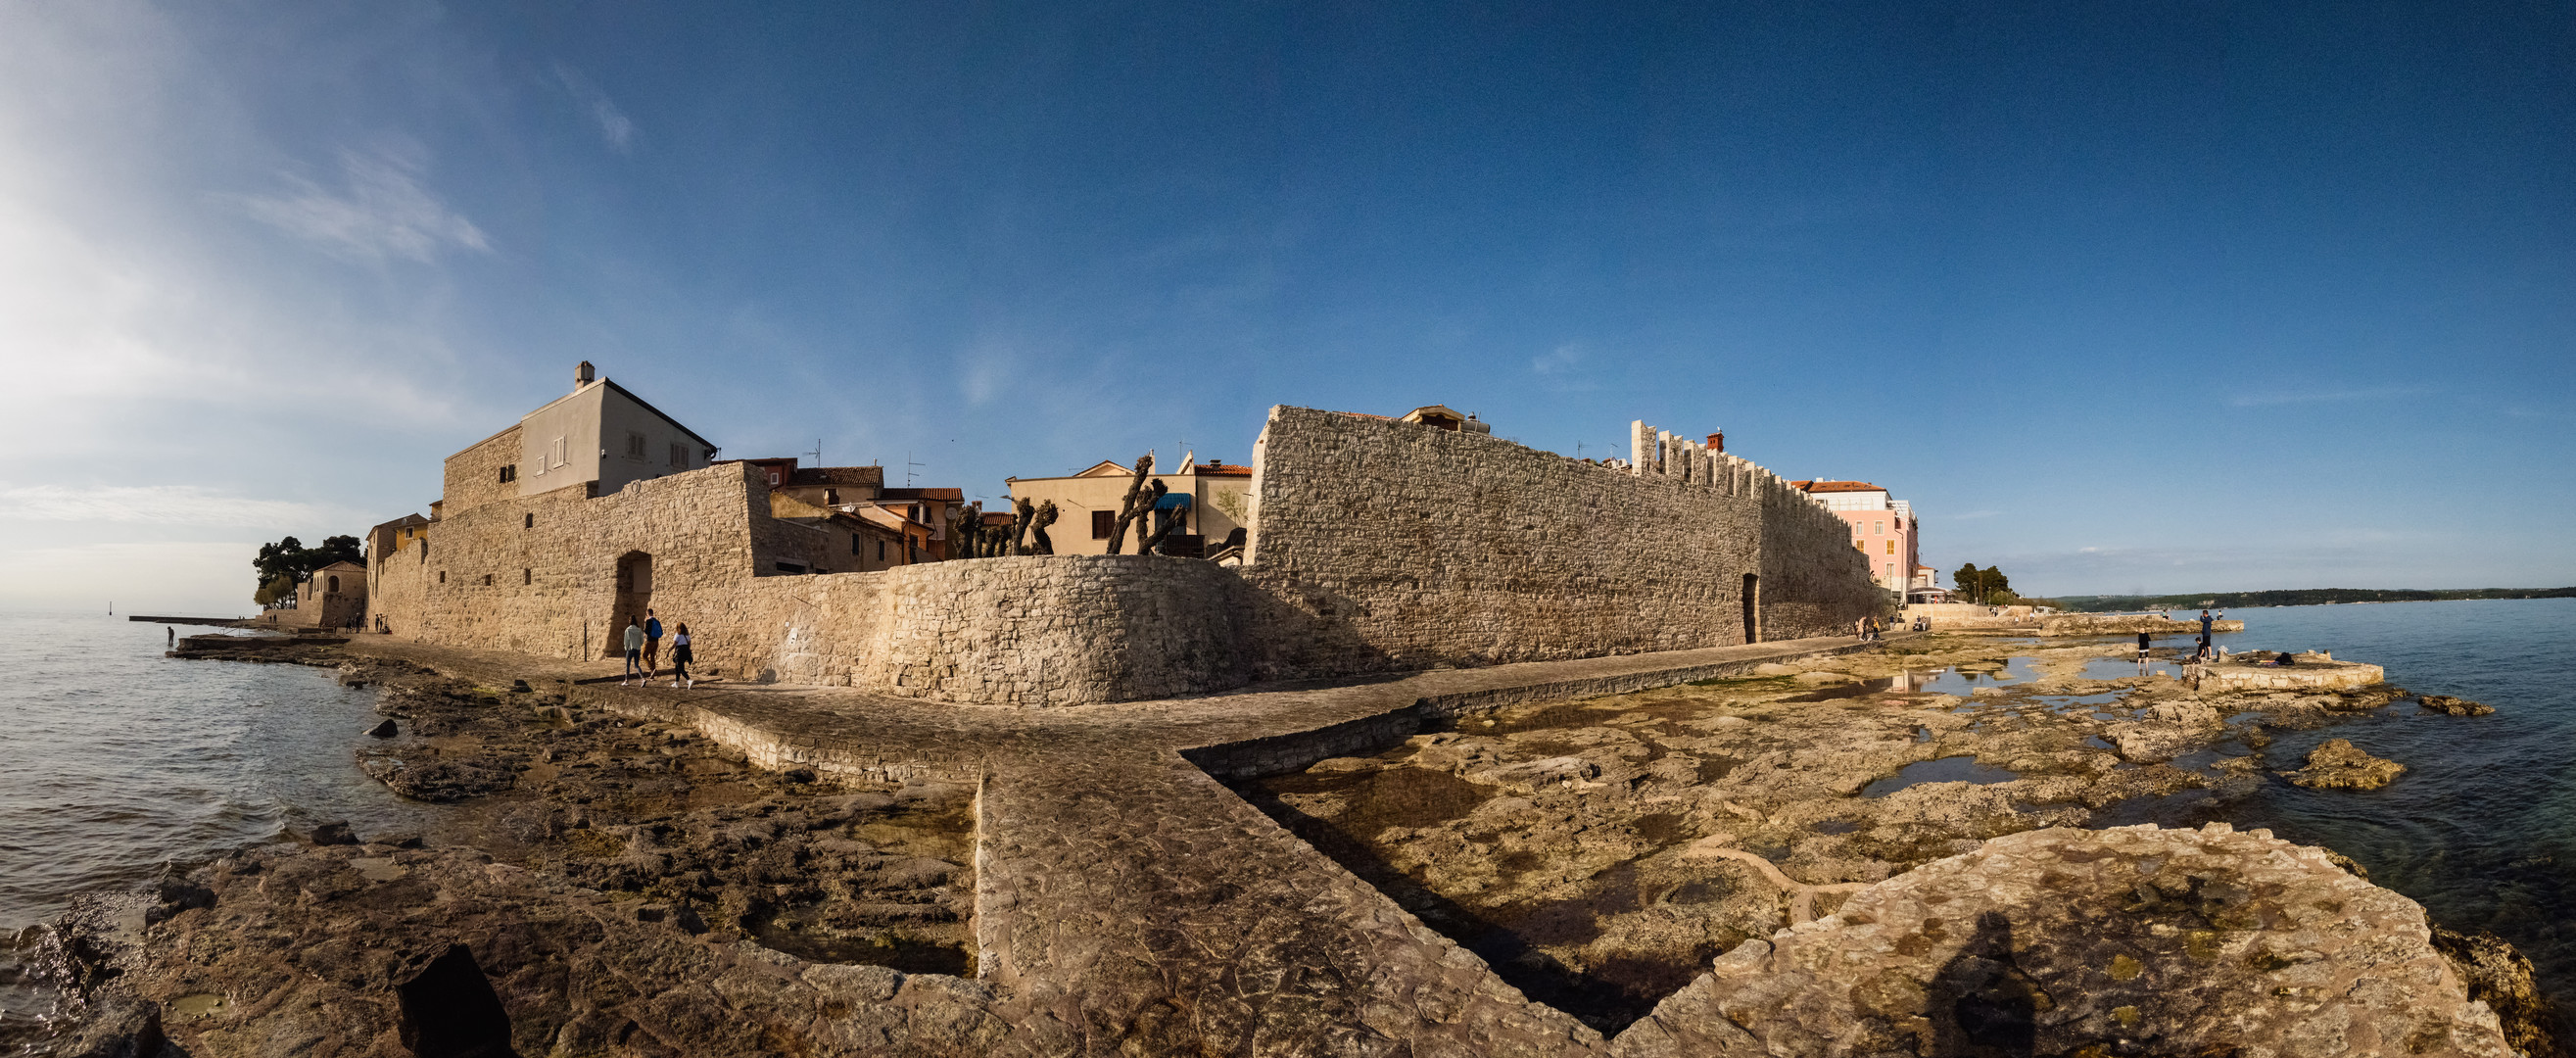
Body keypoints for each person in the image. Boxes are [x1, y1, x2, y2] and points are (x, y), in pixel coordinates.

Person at [642, 609, 664, 682]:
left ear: (647, 614)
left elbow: (647, 631)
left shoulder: (648, 621)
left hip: (650, 641)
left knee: (644, 656)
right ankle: (652, 675)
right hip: (656, 641)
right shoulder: (657, 621)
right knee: (652, 657)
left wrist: (644, 627)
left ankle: (652, 669)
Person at [671, 623, 694, 690]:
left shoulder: (677, 635)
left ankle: (689, 680)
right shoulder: (687, 635)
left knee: (680, 668)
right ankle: (676, 683)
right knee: (677, 667)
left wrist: (669, 650)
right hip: (686, 653)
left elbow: (674, 644)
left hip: (680, 652)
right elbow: (689, 644)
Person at [621, 618, 644, 685]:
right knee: (636, 665)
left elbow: (626, 641)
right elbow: (642, 640)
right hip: (637, 648)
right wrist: (638, 644)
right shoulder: (639, 629)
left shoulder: (628, 630)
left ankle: (626, 680)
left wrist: (626, 648)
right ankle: (643, 678)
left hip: (630, 648)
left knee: (627, 665)